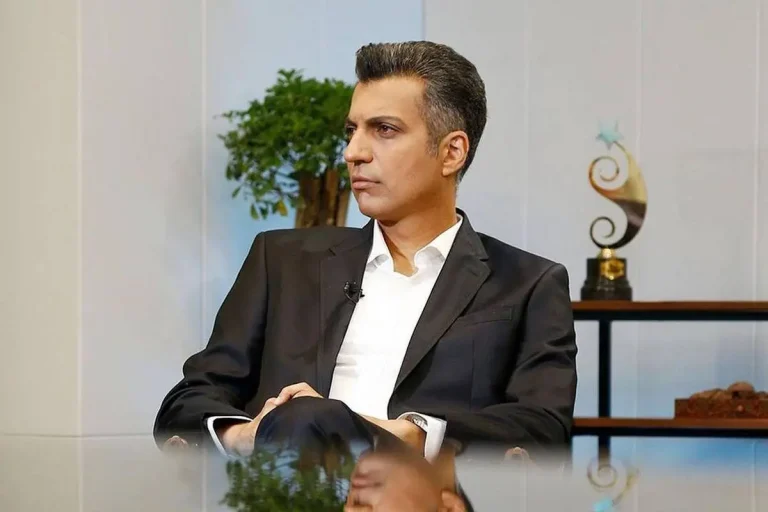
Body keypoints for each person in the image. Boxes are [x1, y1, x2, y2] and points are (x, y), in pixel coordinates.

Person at [154, 41, 577, 469]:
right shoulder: (281, 261)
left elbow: (544, 430)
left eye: (384, 130)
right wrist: (250, 434)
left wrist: (410, 435)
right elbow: (188, 402)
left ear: (451, 152)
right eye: (351, 131)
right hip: (290, 485)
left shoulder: (527, 284)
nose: (353, 152)